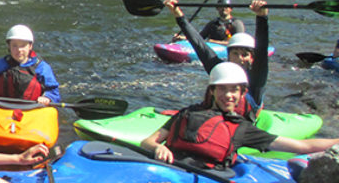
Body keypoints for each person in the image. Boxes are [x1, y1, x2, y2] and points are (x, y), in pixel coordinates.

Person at [139, 63, 339, 168]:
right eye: (222, 90)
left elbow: (302, 146)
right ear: (212, 91)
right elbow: (147, 142)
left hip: (204, 177)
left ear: (242, 94)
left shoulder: (240, 129)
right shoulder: (187, 113)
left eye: (234, 90)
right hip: (167, 166)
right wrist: (158, 148)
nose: (228, 95)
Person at [165, 0, 269, 116]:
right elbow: (199, 45)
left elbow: (262, 49)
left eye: (245, 55)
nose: (240, 58)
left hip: (241, 127)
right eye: (235, 54)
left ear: (252, 58)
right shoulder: (220, 69)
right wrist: (178, 15)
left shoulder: (257, 78)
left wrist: (262, 17)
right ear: (228, 55)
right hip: (216, 120)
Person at [0, 24, 61, 104]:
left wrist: (48, 97)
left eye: (23, 46)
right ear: (9, 46)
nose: (19, 50)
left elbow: (53, 91)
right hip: (0, 107)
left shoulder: (42, 68)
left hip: (32, 109)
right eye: (14, 45)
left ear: (30, 46)